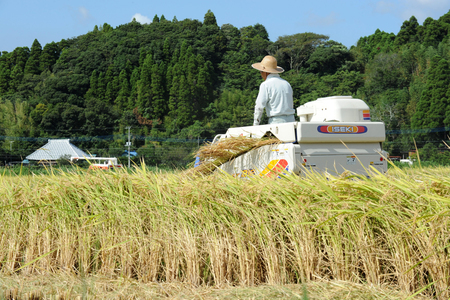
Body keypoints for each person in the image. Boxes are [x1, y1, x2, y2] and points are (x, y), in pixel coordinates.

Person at [251, 55, 295, 126]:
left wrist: (255, 124)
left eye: (261, 72)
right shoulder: (286, 84)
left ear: (265, 72)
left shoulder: (265, 85)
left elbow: (259, 107)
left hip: (276, 122)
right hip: (292, 121)